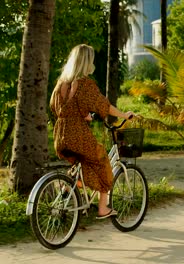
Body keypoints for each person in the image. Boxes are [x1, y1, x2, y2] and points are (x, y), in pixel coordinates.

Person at [50, 44, 134, 219]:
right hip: (76, 134)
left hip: (60, 134)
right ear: (86, 62)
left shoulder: (61, 83)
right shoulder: (85, 84)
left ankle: (68, 190)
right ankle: (103, 208)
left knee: (83, 163)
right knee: (102, 159)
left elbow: (56, 107)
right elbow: (105, 106)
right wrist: (124, 115)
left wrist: (82, 115)